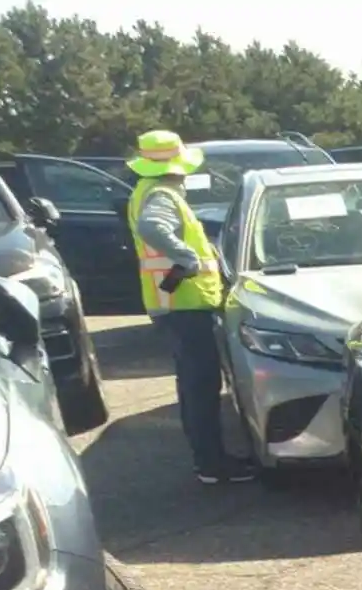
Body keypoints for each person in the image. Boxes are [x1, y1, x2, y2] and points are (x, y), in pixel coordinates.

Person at [126, 129, 252, 484]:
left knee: (193, 386)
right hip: (185, 304)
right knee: (201, 387)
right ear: (176, 166)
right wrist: (188, 257)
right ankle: (212, 464)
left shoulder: (146, 191)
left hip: (174, 302)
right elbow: (153, 228)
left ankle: (207, 460)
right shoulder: (162, 195)